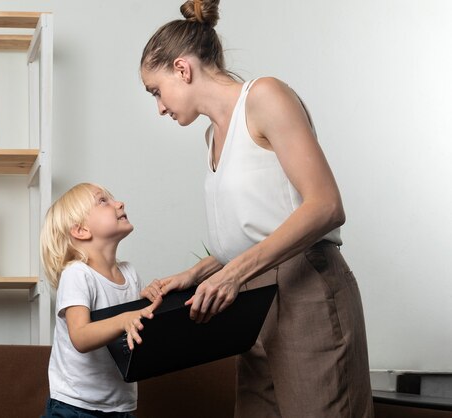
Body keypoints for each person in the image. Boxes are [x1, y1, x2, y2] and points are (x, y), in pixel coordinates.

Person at [139, 0, 374, 416]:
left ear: (182, 69)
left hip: (305, 291)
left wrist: (234, 274)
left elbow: (326, 205)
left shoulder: (264, 96)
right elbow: (257, 228)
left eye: (156, 91)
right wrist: (195, 274)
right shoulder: (210, 136)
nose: (158, 107)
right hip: (250, 304)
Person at [40, 183, 161, 418]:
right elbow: (81, 336)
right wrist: (125, 319)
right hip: (74, 407)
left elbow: (135, 330)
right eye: (103, 201)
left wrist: (151, 302)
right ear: (81, 230)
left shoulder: (129, 274)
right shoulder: (77, 274)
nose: (119, 203)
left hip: (120, 407)